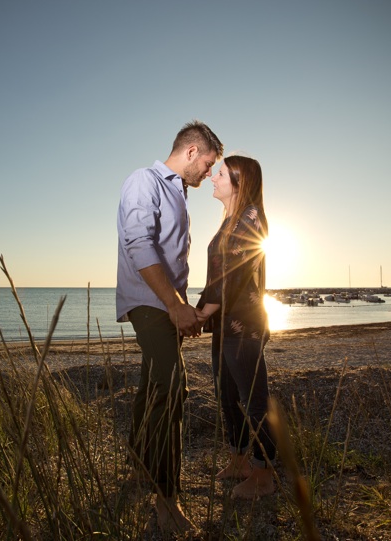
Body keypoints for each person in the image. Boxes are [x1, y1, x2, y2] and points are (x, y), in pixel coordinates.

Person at [116, 120, 223, 533]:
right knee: (173, 387)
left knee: (153, 384)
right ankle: (166, 502)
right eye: (209, 163)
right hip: (149, 303)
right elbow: (138, 243)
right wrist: (175, 305)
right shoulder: (144, 181)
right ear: (192, 151)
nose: (209, 173)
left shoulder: (179, 194)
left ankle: (141, 466)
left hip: (166, 306)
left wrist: (181, 310)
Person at [195, 155, 276, 499]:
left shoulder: (251, 218)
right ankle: (240, 459)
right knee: (227, 395)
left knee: (253, 400)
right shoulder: (230, 219)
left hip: (245, 326)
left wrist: (197, 315)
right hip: (224, 322)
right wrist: (204, 314)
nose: (213, 176)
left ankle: (264, 476)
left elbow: (231, 276)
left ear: (240, 184)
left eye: (222, 172)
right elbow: (216, 277)